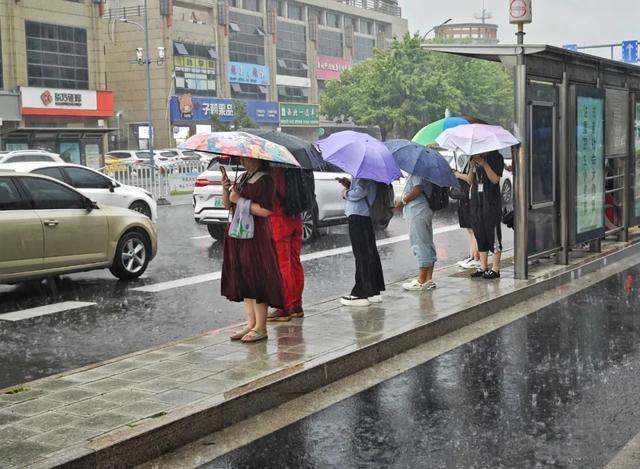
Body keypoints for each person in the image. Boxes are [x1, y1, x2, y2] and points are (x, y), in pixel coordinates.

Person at [221, 157, 284, 342]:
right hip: (238, 234)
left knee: (257, 278)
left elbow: (265, 210)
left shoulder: (265, 180)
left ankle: (260, 327)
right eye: (242, 157)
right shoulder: (242, 177)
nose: (243, 160)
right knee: (244, 277)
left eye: (246, 158)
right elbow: (228, 205)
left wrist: (239, 199)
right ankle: (250, 323)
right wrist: (226, 188)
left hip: (256, 236)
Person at [266, 168, 310, 322]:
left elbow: (271, 197)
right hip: (295, 217)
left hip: (279, 219)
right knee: (294, 262)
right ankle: (296, 305)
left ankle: (283, 307)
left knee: (282, 265)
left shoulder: (274, 172)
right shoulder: (294, 169)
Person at [454, 150, 504, 279]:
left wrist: (484, 164)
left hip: (491, 203)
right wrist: (472, 167)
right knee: (480, 234)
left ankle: (495, 269)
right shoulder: (474, 157)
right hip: (476, 202)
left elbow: (495, 179)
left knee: (492, 235)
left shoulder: (496, 157)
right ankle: (483, 266)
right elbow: (470, 181)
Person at [338, 176, 385, 307]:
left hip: (358, 215)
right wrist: (349, 184)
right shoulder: (368, 171)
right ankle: (373, 289)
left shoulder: (363, 173)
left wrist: (346, 193)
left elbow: (361, 191)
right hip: (364, 215)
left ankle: (360, 292)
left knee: (361, 254)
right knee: (369, 253)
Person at [395, 174, 437, 291]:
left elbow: (418, 188)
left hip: (417, 211)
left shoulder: (417, 171)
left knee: (420, 244)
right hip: (423, 210)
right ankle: (428, 279)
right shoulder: (425, 170)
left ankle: (421, 280)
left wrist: (403, 201)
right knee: (427, 243)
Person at [453, 157, 481, 269]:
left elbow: (470, 179)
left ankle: (476, 257)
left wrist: (458, 175)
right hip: (468, 198)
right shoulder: (470, 160)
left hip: (471, 198)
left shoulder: (475, 161)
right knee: (470, 230)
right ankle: (472, 255)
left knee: (473, 229)